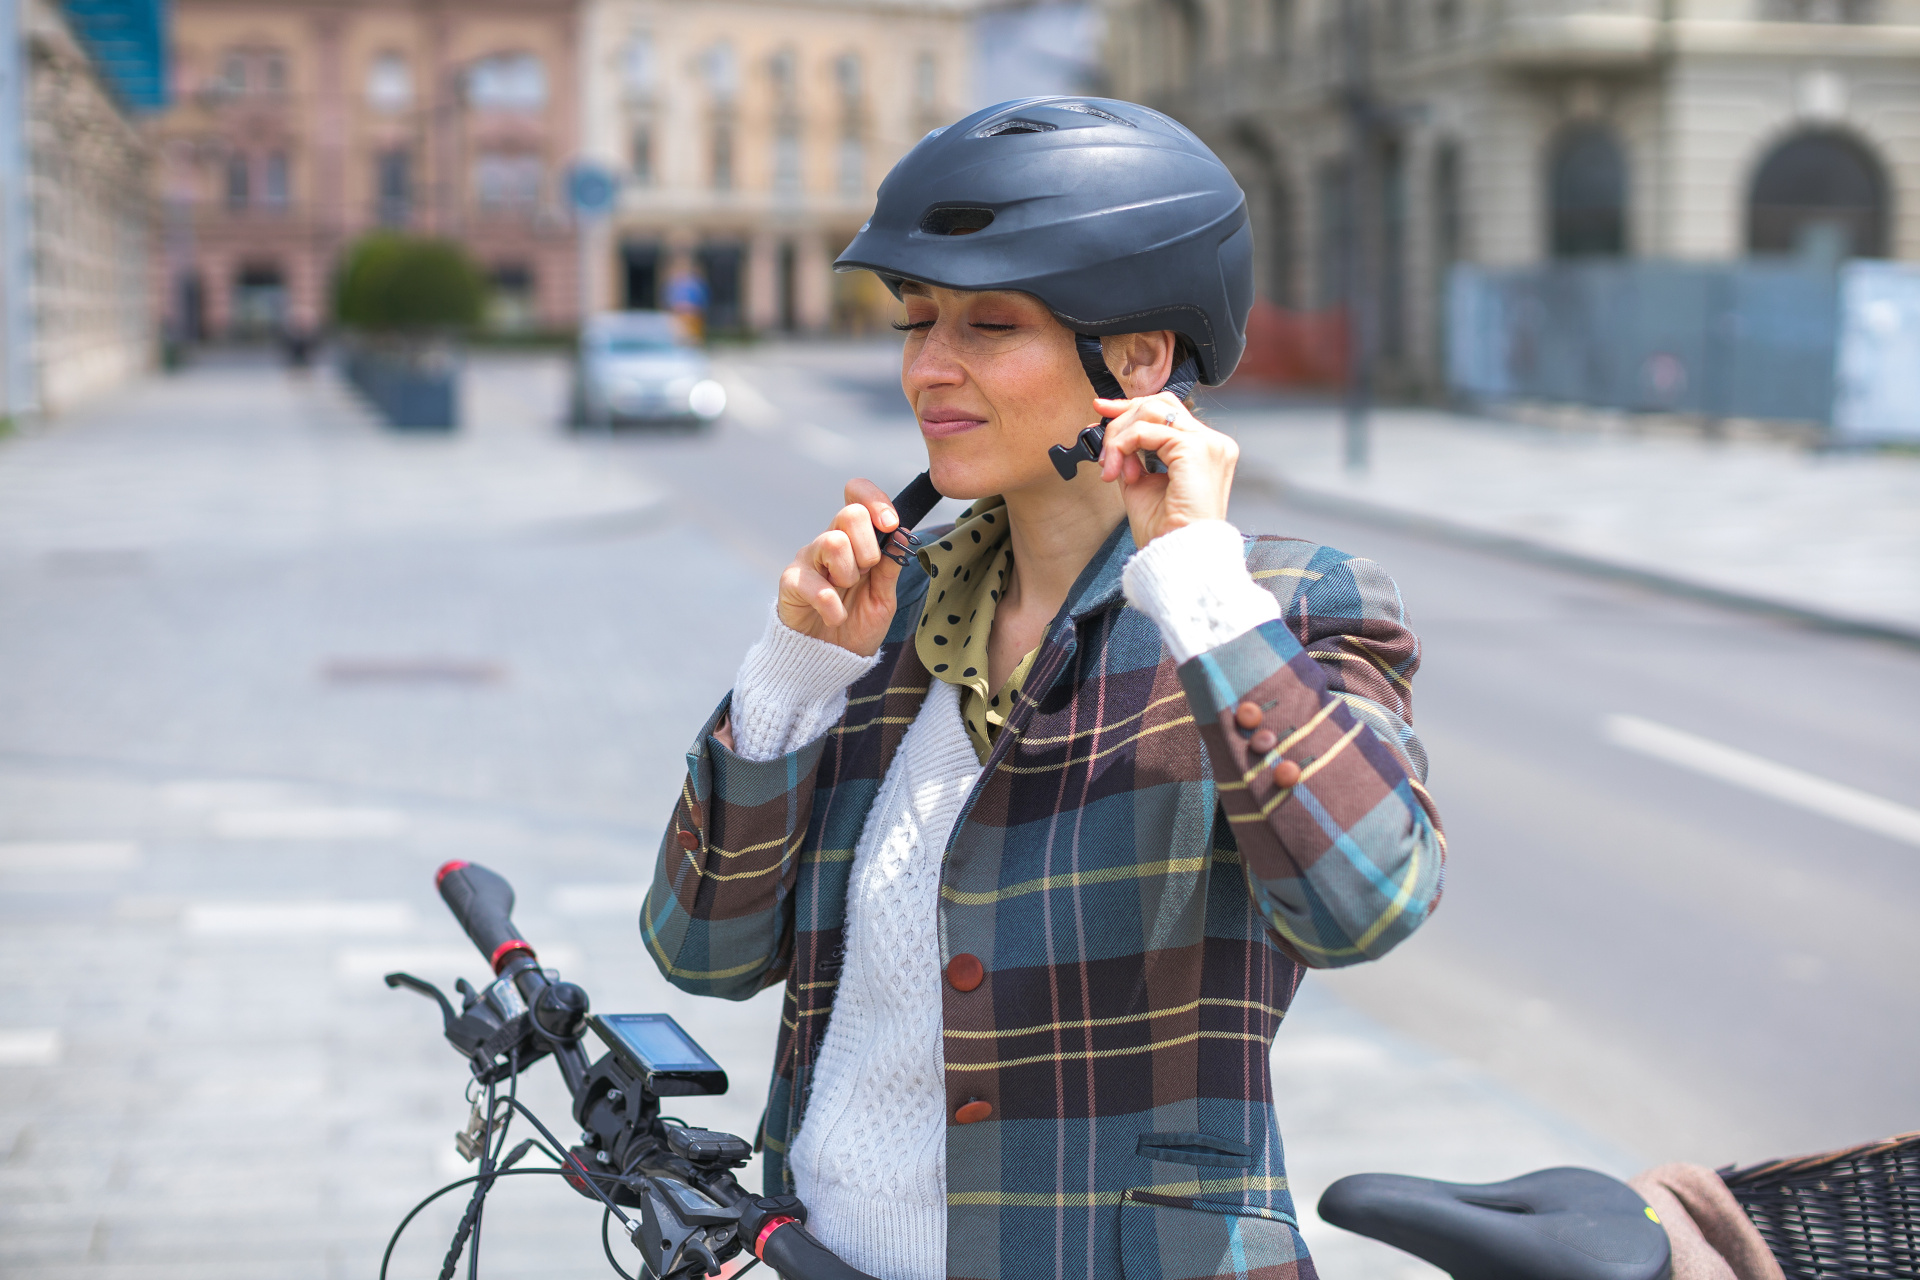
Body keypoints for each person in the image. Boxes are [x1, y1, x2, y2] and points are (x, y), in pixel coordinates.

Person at [643, 97, 1445, 1280]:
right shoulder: (898, 616)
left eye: (990, 324)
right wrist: (797, 670)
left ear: (1136, 356)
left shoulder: (1286, 606)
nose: (929, 367)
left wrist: (1195, 580)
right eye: (919, 323)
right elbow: (700, 949)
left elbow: (1369, 895)